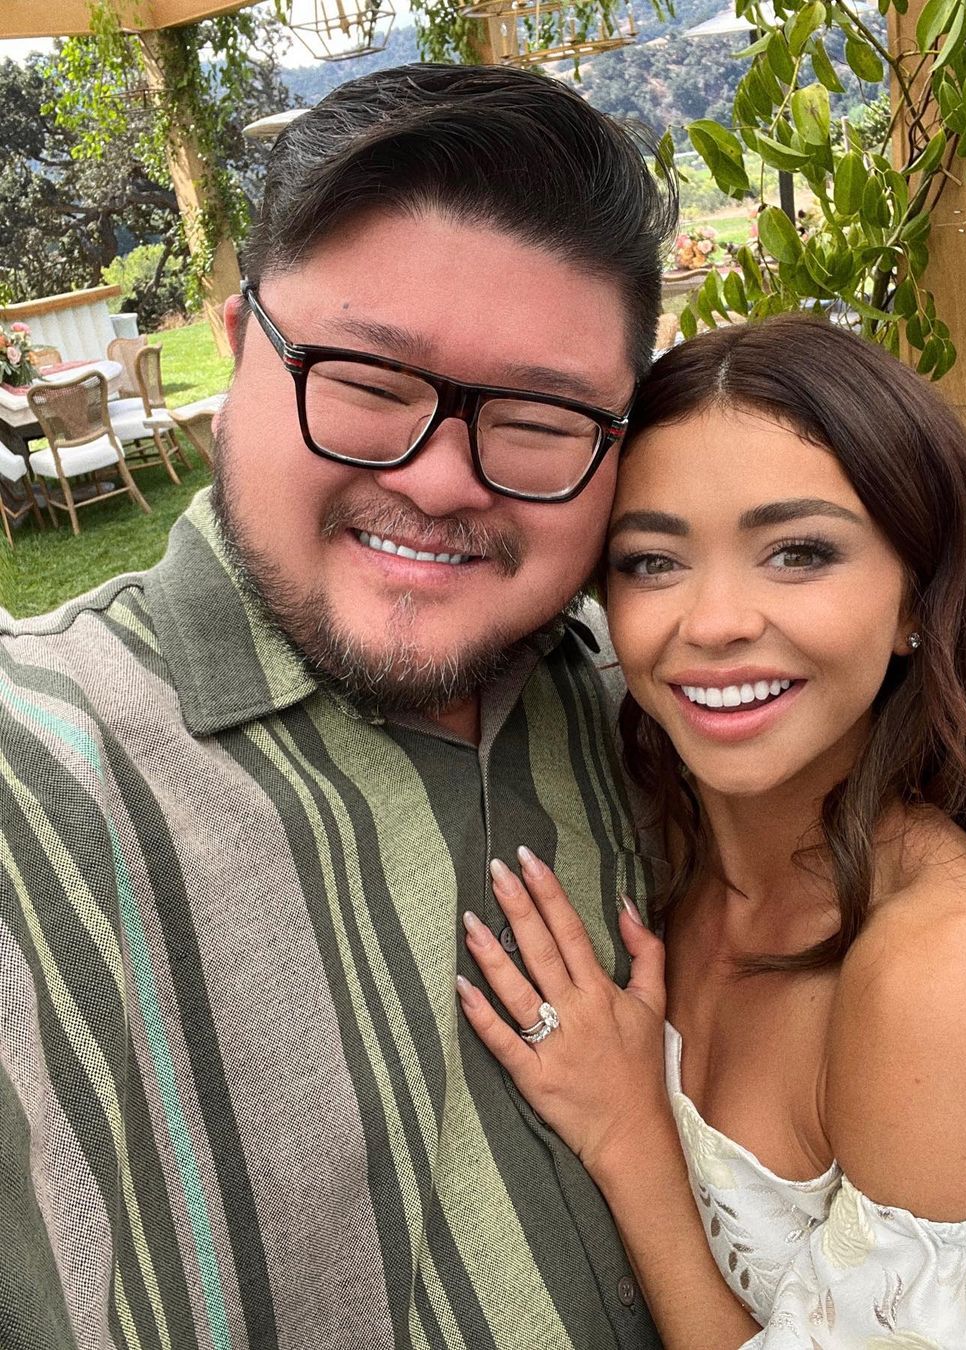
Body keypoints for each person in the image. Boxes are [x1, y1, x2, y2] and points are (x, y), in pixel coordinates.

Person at [0, 65, 678, 1348]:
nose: (440, 480)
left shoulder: (648, 709)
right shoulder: (40, 777)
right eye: (367, 381)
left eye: (539, 418)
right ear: (238, 346)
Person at [458, 315, 966, 1348]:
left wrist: (629, 1138)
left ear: (918, 598)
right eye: (652, 561)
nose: (713, 622)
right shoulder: (655, 823)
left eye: (798, 553)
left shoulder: (952, 976)